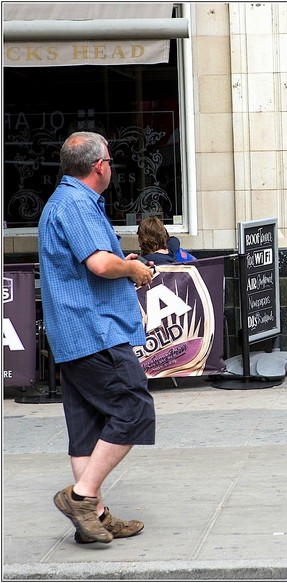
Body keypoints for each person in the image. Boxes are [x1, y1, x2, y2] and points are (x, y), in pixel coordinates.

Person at [38, 131, 157, 544]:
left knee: (86, 426)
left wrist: (118, 262)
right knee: (134, 409)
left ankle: (97, 519)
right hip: (94, 330)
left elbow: (91, 262)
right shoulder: (76, 202)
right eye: (109, 158)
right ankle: (82, 498)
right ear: (99, 166)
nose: (111, 164)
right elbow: (99, 265)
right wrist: (133, 270)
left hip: (73, 333)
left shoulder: (65, 201)